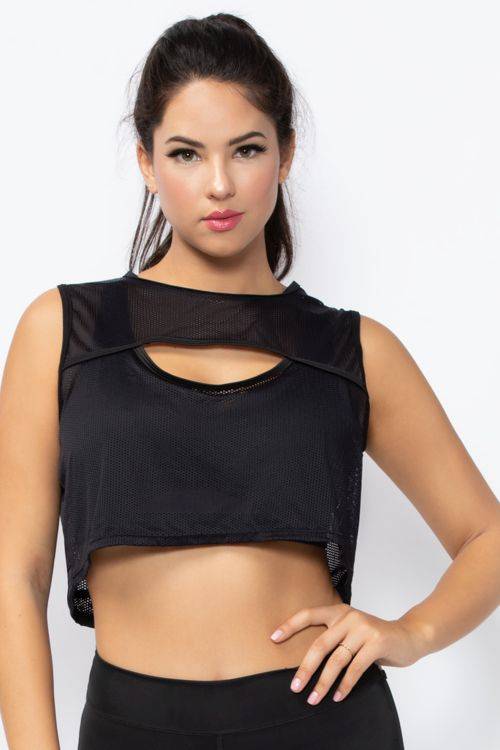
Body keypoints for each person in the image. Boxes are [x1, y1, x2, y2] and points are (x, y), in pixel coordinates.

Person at [0, 12, 499, 750]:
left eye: (248, 149)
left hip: (323, 719)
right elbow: (16, 572)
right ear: (146, 162)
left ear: (286, 154)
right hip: (131, 727)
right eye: (186, 153)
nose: (220, 184)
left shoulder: (352, 350)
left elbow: (487, 535)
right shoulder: (65, 332)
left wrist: (412, 632)